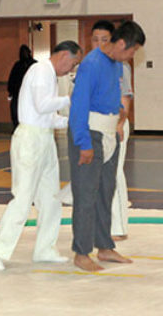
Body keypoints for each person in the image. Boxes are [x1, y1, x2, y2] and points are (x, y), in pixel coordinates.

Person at [0, 41, 82, 271]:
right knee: (23, 197)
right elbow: (42, 106)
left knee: (51, 197)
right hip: (30, 140)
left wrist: (73, 121)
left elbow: (49, 117)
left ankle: (45, 249)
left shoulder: (50, 75)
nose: (72, 69)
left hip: (44, 138)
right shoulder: (41, 70)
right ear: (63, 55)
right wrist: (72, 100)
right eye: (73, 63)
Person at [68, 21, 145, 271]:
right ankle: (81, 252)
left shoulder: (117, 66)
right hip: (90, 134)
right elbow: (79, 105)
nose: (133, 56)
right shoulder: (91, 64)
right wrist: (84, 144)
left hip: (110, 133)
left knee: (105, 192)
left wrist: (121, 114)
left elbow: (110, 95)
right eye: (133, 51)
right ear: (122, 44)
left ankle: (104, 246)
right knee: (86, 194)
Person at [90, 20, 134, 241]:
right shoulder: (91, 64)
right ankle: (102, 222)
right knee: (98, 173)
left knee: (113, 172)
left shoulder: (121, 66)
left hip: (116, 122)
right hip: (96, 124)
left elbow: (125, 99)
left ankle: (118, 226)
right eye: (95, 40)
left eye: (104, 40)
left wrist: (119, 123)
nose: (99, 44)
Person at [6, 44, 36, 128]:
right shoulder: (18, 65)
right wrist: (11, 91)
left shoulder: (34, 65)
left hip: (30, 93)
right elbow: (12, 79)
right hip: (17, 92)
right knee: (16, 112)